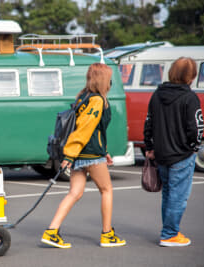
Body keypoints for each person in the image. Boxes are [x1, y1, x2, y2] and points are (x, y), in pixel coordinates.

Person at [41, 63, 126, 248]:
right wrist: (69, 156)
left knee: (74, 193)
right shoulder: (96, 100)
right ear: (104, 80)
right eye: (109, 78)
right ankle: (107, 234)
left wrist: (104, 152)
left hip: (83, 153)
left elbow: (94, 130)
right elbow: (84, 130)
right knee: (106, 190)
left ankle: (52, 231)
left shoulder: (83, 96)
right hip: (89, 155)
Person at [144, 57, 204, 247]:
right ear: (191, 76)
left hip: (161, 154)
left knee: (169, 194)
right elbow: (196, 128)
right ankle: (169, 234)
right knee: (178, 196)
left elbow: (149, 123)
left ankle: (170, 230)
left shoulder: (157, 95)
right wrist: (194, 147)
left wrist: (149, 147)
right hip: (182, 155)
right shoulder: (190, 98)